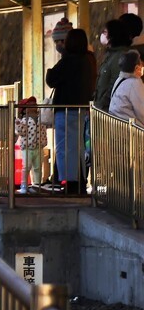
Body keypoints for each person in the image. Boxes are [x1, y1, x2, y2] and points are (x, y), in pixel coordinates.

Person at [45, 27, 94, 195]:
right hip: (80, 108)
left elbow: (51, 79)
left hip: (65, 109)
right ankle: (80, 181)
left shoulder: (68, 61)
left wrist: (53, 68)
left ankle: (70, 183)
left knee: (64, 147)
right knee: (77, 146)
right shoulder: (87, 61)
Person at [94, 19, 132, 113]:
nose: (103, 35)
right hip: (102, 109)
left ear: (113, 35)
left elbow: (114, 83)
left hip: (109, 111)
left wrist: (102, 104)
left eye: (105, 32)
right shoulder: (109, 55)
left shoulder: (119, 56)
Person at [15, 96, 46, 194]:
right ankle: (24, 186)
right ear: (25, 109)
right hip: (27, 148)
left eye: (35, 104)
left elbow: (43, 131)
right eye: (31, 105)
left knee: (38, 167)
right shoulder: (23, 120)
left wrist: (44, 142)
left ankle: (37, 185)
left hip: (38, 146)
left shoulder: (41, 118)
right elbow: (20, 132)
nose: (35, 106)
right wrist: (17, 124)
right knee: (26, 167)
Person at [109, 49, 144, 127]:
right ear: (136, 68)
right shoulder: (134, 83)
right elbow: (142, 111)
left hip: (116, 126)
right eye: (141, 63)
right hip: (130, 131)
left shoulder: (120, 79)